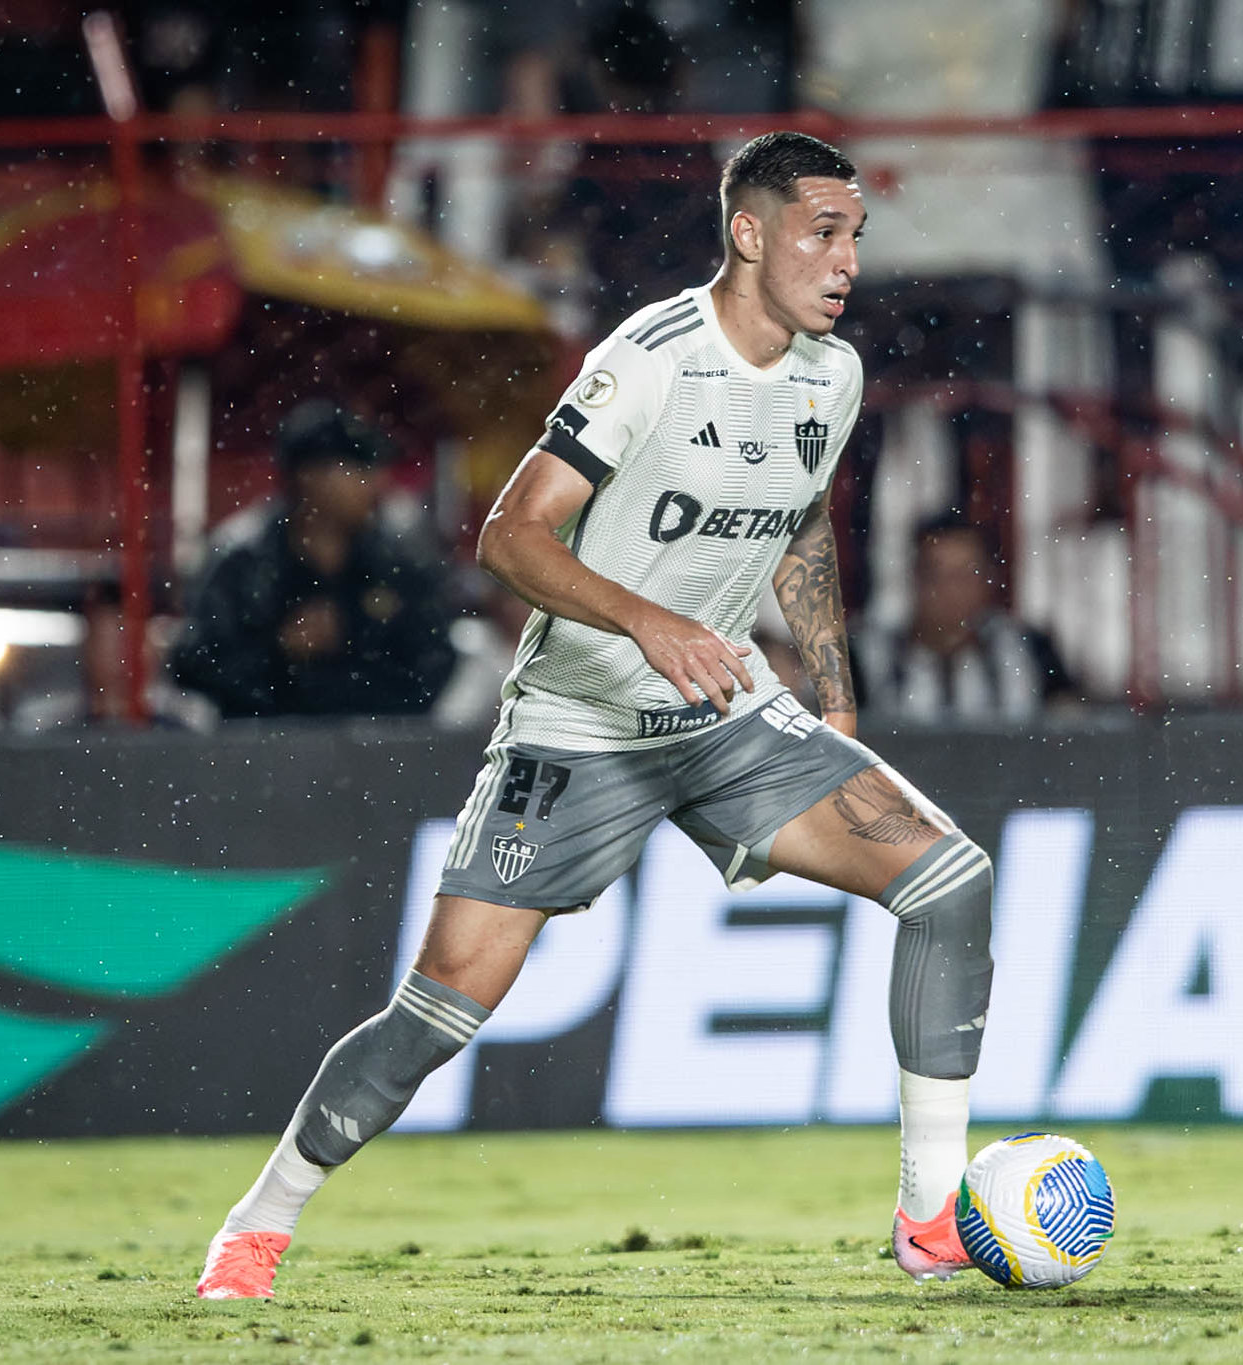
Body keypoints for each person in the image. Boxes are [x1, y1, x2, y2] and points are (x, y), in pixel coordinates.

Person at [194, 132, 996, 1299]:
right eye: (823, 233)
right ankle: (257, 1227)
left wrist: (830, 688)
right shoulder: (650, 359)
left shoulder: (834, 374)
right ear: (749, 233)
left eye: (855, 237)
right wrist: (644, 622)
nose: (846, 261)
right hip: (577, 733)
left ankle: (928, 1218)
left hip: (725, 718)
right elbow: (510, 535)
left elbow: (801, 523)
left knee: (948, 881)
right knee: (433, 1017)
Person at [167, 401, 459, 719]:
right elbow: (193, 665)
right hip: (262, 754)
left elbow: (435, 661)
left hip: (379, 755)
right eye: (356, 467)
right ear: (309, 476)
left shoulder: (398, 561)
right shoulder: (242, 559)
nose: (373, 483)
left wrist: (359, 685)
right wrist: (278, 651)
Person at [852, 513, 1081, 723]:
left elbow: (1068, 735)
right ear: (915, 579)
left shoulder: (1031, 651)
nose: (951, 591)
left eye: (965, 575)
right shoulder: (865, 659)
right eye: (937, 576)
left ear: (987, 580)